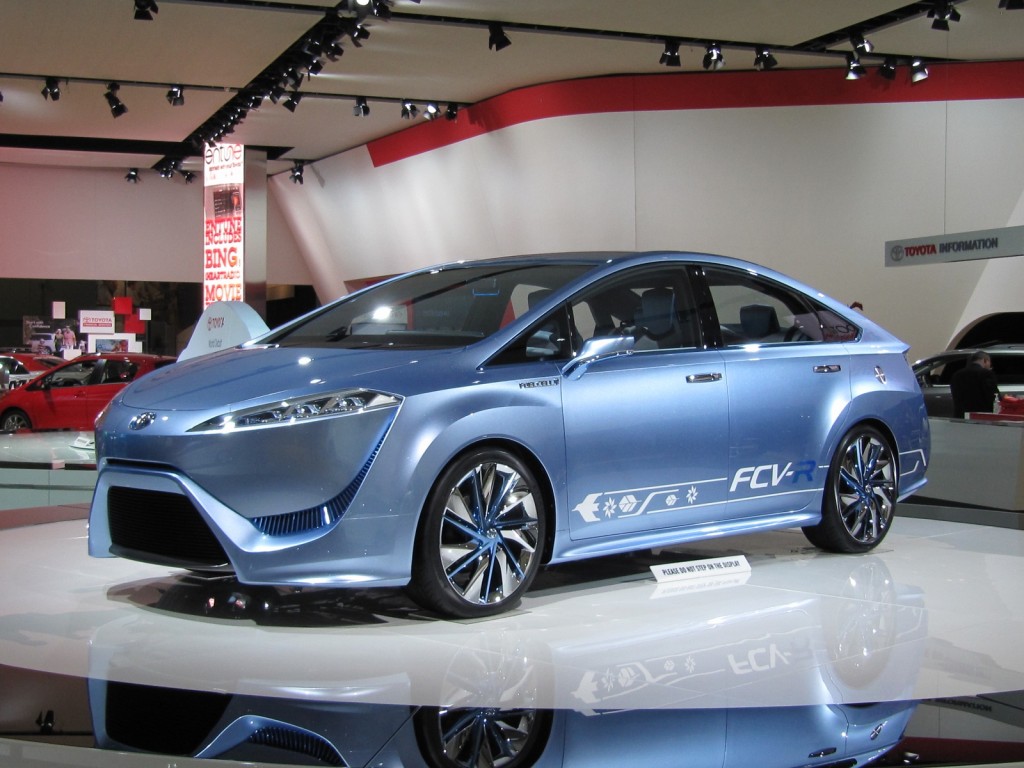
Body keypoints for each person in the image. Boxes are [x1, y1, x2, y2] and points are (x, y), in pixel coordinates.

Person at [950, 350, 1000, 418]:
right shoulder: (986, 373)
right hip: (981, 416)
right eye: (990, 363)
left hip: (961, 416)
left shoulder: (956, 374)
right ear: (985, 360)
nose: (990, 366)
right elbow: (993, 396)